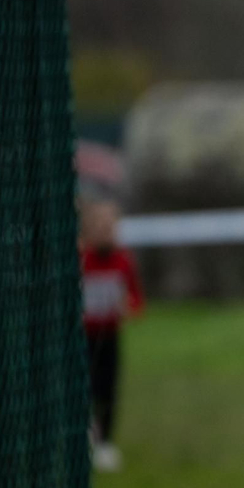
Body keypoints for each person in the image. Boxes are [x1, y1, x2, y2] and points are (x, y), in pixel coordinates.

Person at [80, 196, 144, 473]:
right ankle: (85, 434)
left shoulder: (122, 260)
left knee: (108, 389)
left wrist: (128, 308)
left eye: (110, 226)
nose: (106, 231)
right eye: (100, 226)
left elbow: (137, 301)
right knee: (85, 387)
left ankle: (105, 442)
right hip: (83, 339)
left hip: (110, 337)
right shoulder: (80, 260)